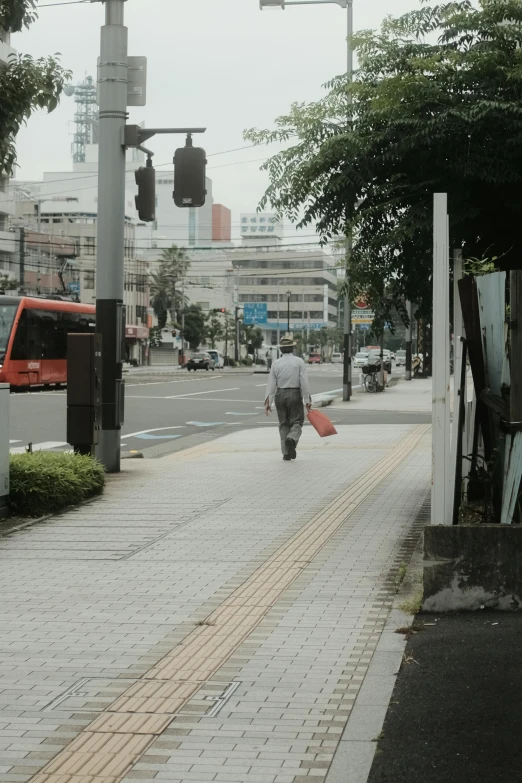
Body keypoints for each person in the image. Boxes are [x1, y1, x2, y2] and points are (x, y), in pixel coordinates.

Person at [264, 337, 312, 461]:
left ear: (281, 349)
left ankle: (286, 453)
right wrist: (307, 400)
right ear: (292, 348)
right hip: (295, 393)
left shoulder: (276, 363)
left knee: (283, 423)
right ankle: (292, 439)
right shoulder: (299, 362)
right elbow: (304, 382)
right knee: (297, 421)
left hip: (280, 395)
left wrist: (268, 401)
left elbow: (271, 383)